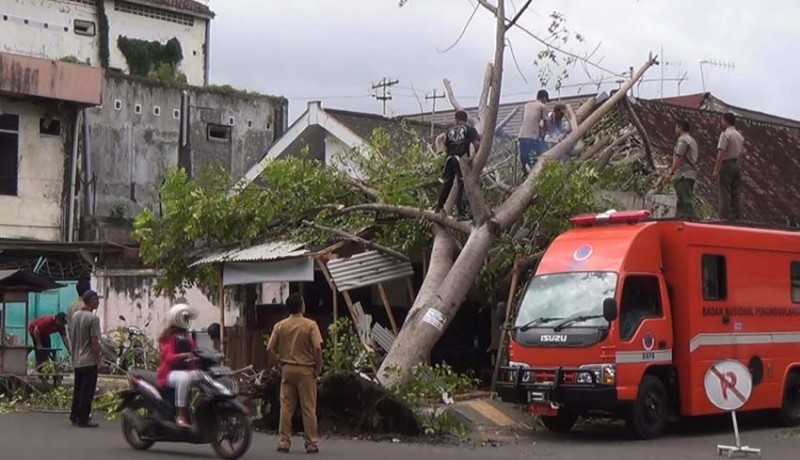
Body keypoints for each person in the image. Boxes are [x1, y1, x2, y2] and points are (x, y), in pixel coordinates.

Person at [267, 293, 324, 454]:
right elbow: (318, 348)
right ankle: (311, 443)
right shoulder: (310, 325)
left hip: (287, 369)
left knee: (286, 407)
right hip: (306, 370)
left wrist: (277, 362)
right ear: (302, 306)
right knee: (308, 407)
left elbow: (269, 348)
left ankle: (284, 441)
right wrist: (317, 368)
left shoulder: (280, 325)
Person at [156, 303, 200, 428]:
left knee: (203, 376)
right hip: (169, 373)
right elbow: (168, 357)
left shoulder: (188, 335)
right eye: (185, 318)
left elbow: (195, 350)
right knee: (184, 378)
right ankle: (181, 414)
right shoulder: (168, 337)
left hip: (186, 369)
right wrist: (183, 356)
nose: (187, 321)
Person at [433, 110, 480, 215]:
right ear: (466, 119)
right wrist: (475, 157)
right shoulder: (470, 129)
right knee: (461, 184)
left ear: (456, 119)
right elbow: (477, 144)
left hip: (450, 159)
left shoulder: (449, 131)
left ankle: (439, 207)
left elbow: (444, 144)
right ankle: (461, 212)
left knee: (447, 183)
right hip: (461, 159)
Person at [69, 290, 102, 428]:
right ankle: (83, 418)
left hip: (77, 359)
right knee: (87, 392)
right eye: (96, 300)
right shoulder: (93, 319)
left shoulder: (75, 315)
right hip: (89, 360)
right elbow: (94, 341)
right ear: (90, 301)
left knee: (78, 390)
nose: (98, 302)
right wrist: (99, 360)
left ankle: (74, 415)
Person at [713, 112, 745, 221]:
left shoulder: (725, 134)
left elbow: (721, 152)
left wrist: (716, 169)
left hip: (726, 164)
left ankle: (724, 216)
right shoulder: (739, 135)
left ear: (725, 121)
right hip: (736, 164)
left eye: (722, 121)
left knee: (724, 191)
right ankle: (736, 217)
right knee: (735, 192)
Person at [665, 119, 699, 219]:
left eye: (676, 127)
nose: (675, 130)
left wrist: (671, 172)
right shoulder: (692, 140)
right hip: (691, 174)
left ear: (680, 127)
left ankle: (692, 220)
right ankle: (680, 220)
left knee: (685, 202)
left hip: (683, 174)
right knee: (681, 201)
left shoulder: (683, 140)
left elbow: (679, 157)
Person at [518, 89, 550, 173]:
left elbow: (525, 120)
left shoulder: (527, 105)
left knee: (524, 159)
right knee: (537, 157)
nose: (546, 102)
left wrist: (538, 128)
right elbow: (546, 124)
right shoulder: (542, 106)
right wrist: (543, 134)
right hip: (532, 137)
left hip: (522, 136)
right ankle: (536, 176)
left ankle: (525, 175)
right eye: (546, 100)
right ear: (543, 98)